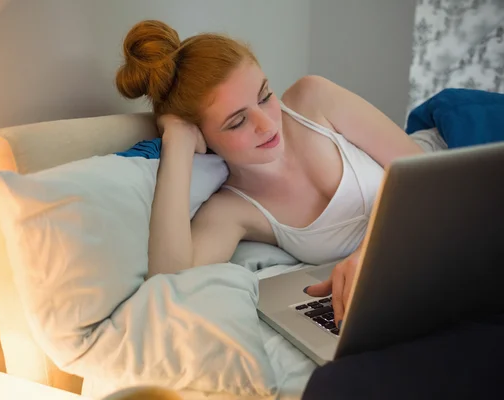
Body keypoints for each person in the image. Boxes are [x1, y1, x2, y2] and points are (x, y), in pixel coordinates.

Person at [114, 20, 444, 329]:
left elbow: (431, 177)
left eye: (264, 96)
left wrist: (368, 255)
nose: (267, 123)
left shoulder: (313, 99)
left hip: (442, 228)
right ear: (203, 137)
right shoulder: (233, 209)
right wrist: (177, 144)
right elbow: (168, 283)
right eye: (237, 121)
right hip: (403, 289)